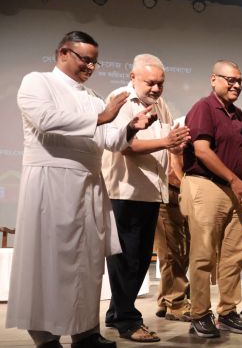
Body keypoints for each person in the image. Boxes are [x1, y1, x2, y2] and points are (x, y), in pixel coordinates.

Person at [6, 31, 154, 348]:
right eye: (85, 59)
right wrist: (102, 116)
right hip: (52, 184)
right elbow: (46, 119)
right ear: (63, 52)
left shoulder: (91, 97)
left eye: (94, 62)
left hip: (88, 186)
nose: (90, 67)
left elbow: (109, 140)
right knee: (51, 262)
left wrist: (130, 127)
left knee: (87, 264)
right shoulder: (37, 82)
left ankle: (85, 332)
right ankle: (46, 337)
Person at [101, 54, 190, 342]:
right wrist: (166, 141)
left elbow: (166, 139)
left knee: (138, 259)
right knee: (127, 259)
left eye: (160, 84)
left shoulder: (159, 104)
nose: (155, 89)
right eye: (150, 83)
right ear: (133, 77)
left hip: (150, 192)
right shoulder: (121, 99)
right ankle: (128, 320)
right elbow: (124, 144)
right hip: (125, 191)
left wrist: (176, 142)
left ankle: (117, 312)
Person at [180, 60, 242, 338]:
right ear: (214, 79)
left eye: (239, 81)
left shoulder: (237, 113)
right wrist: (235, 180)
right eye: (230, 80)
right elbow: (201, 151)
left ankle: (227, 312)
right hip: (205, 185)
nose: (236, 85)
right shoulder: (204, 107)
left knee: (234, 255)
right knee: (203, 254)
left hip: (233, 189)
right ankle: (200, 314)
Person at [154, 116, 192, 323]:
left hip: (185, 194)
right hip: (166, 194)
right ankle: (175, 302)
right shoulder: (171, 138)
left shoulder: (192, 143)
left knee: (183, 251)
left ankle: (164, 299)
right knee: (170, 250)